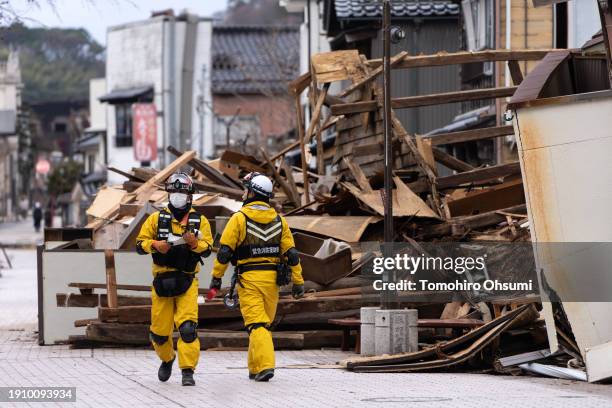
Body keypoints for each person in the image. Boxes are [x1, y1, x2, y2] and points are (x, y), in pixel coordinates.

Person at [210, 172, 304, 382]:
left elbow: (225, 252)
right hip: (272, 282)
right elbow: (292, 255)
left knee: (256, 324)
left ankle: (266, 366)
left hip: (249, 280)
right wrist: (298, 282)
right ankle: (254, 368)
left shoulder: (239, 219)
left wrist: (217, 278)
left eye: (246, 189)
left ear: (252, 192)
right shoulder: (280, 221)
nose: (244, 193)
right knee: (262, 325)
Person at [136, 172, 213, 386]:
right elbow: (138, 244)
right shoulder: (156, 219)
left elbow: (207, 250)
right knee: (159, 333)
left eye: (182, 192)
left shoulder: (200, 221)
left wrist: (194, 244)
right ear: (168, 194)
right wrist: (154, 244)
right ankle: (167, 358)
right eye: (173, 191)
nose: (177, 195)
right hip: (162, 281)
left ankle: (188, 371)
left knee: (188, 328)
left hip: (188, 281)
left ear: (189, 196)